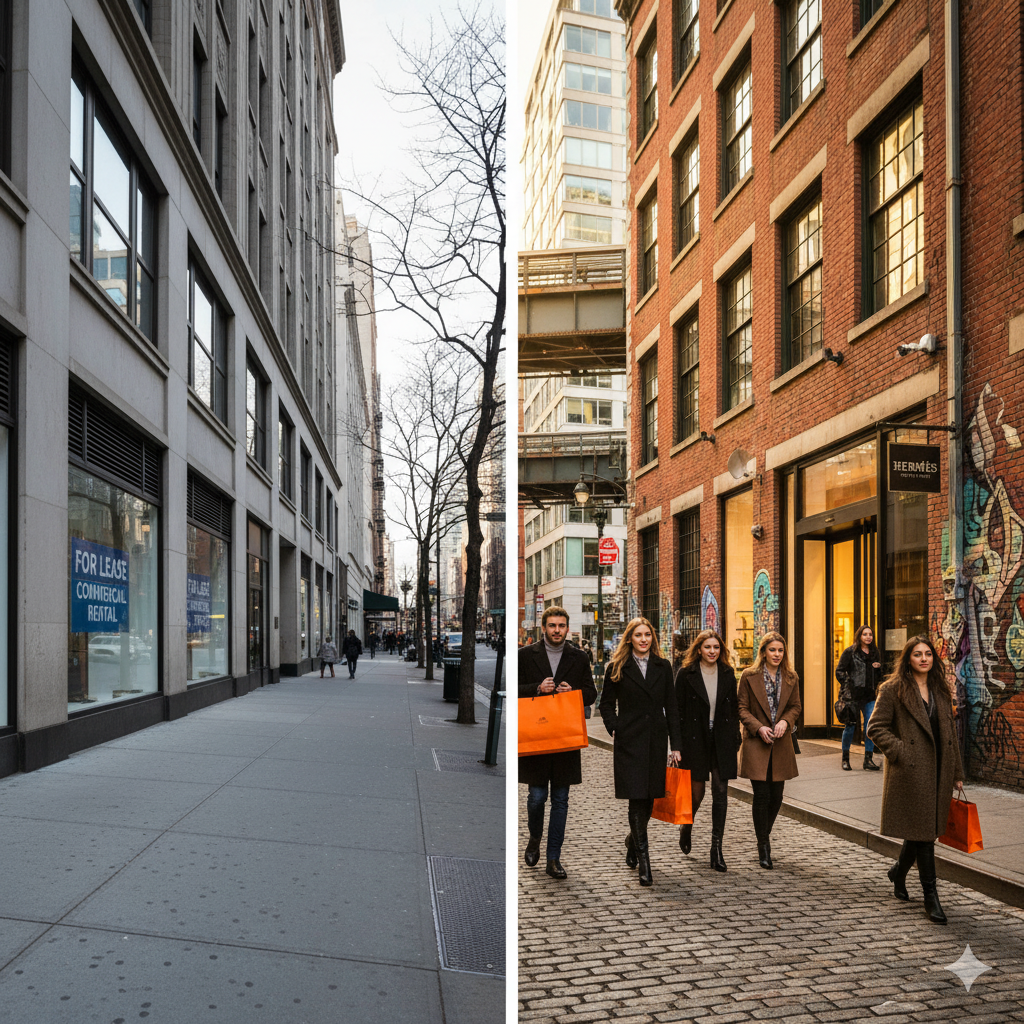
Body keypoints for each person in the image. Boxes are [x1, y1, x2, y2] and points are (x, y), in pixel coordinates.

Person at [867, 635, 964, 925]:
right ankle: (931, 897)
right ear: (908, 658)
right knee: (925, 837)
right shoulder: (893, 689)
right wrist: (901, 752)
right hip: (911, 772)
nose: (924, 659)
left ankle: (898, 872)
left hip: (939, 771)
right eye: (917, 654)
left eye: (928, 654)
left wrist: (957, 773)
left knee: (922, 832)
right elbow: (875, 728)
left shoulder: (941, 689)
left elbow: (950, 737)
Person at [599, 617, 682, 887]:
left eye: (648, 634)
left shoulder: (663, 666)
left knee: (649, 799)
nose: (644, 639)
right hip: (630, 741)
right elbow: (606, 704)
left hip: (656, 741)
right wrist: (615, 728)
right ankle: (645, 862)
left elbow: (672, 707)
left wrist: (676, 746)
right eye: (638, 635)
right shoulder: (617, 666)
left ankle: (631, 839)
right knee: (636, 798)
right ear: (630, 638)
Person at [519, 607, 596, 880]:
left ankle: (554, 858)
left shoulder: (579, 657)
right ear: (543, 628)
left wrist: (573, 693)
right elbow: (515, 690)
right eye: (552, 625)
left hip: (565, 738)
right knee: (537, 797)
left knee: (561, 801)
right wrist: (537, 689)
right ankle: (534, 837)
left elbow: (591, 692)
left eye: (561, 625)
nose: (557, 630)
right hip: (537, 738)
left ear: (567, 627)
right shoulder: (526, 656)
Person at [674, 630, 739, 872]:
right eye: (707, 647)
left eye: (716, 647)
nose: (712, 651)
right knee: (697, 794)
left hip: (721, 740)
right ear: (699, 649)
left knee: (721, 793)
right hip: (695, 740)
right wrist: (677, 745)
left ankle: (716, 849)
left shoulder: (727, 673)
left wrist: (735, 737)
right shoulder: (686, 674)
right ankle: (686, 825)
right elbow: (677, 712)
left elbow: (733, 709)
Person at [738, 631, 802, 870]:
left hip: (781, 742)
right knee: (762, 796)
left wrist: (786, 721)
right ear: (763, 651)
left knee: (777, 797)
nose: (777, 654)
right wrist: (758, 727)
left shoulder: (791, 677)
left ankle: (763, 833)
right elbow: (742, 708)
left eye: (780, 650)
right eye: (772, 650)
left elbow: (796, 706)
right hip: (757, 742)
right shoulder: (749, 676)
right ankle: (763, 845)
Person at [836, 625, 882, 771]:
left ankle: (868, 760)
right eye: (865, 634)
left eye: (870, 634)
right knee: (850, 726)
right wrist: (849, 683)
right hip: (852, 696)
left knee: (870, 726)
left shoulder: (875, 652)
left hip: (869, 696)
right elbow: (839, 671)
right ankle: (845, 759)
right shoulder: (850, 652)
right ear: (859, 636)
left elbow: (880, 674)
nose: (868, 637)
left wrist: (878, 668)